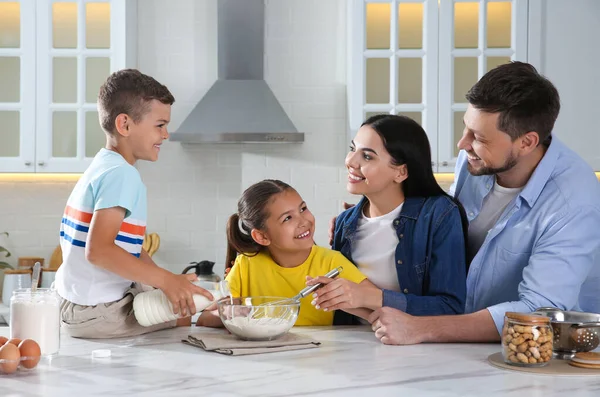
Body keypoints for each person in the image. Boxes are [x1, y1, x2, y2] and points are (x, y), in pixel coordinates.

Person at [365, 61, 600, 344]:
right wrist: (376, 225)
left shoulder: (573, 203)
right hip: (461, 340)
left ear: (526, 142)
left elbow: (540, 310)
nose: (462, 145)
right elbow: (444, 227)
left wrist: (422, 328)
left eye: (478, 137)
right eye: (466, 128)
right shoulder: (478, 160)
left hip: (542, 355)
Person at [55, 69, 212, 339]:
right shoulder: (123, 175)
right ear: (125, 125)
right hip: (98, 314)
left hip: (72, 304)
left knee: (173, 301)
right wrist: (164, 281)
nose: (166, 135)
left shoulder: (102, 166)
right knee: (191, 316)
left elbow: (129, 249)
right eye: (160, 125)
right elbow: (99, 251)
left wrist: (165, 280)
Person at [310, 115, 468, 323]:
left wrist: (369, 296)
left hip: (416, 348)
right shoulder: (345, 223)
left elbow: (449, 307)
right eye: (352, 148)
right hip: (352, 344)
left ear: (401, 172)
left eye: (367, 156)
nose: (351, 161)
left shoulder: (438, 214)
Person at [196, 179, 377, 327]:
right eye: (288, 218)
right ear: (261, 236)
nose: (303, 221)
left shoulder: (331, 263)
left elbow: (379, 302)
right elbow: (205, 319)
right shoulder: (246, 266)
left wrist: (347, 297)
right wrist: (231, 313)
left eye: (303, 209)